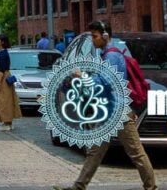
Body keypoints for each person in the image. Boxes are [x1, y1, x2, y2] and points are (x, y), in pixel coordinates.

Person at [55, 21, 157, 190]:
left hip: (118, 113)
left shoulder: (111, 56)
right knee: (95, 153)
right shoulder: (107, 55)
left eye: (95, 36)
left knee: (136, 153)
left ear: (105, 36)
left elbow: (105, 82)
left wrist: (81, 76)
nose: (93, 40)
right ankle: (79, 186)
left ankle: (152, 187)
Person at [0, 33, 22, 132]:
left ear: (2, 42)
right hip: (5, 76)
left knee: (3, 100)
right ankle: (7, 122)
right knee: (7, 99)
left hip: (3, 78)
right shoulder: (3, 52)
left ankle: (7, 123)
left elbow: (2, 69)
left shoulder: (3, 54)